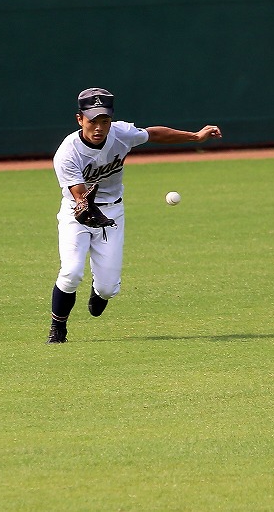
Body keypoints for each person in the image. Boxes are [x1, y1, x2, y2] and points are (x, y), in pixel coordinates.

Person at [47, 87, 222, 344]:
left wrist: (195, 137)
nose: (99, 127)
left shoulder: (121, 134)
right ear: (79, 119)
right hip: (77, 212)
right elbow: (80, 198)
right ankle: (58, 327)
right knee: (71, 272)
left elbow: (153, 134)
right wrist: (88, 211)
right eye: (92, 120)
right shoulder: (67, 152)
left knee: (108, 288)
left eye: (104, 121)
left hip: (113, 210)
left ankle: (100, 292)